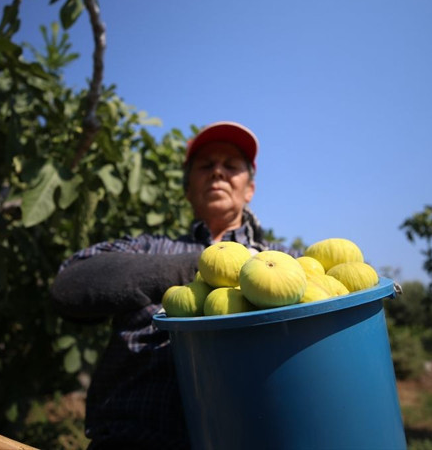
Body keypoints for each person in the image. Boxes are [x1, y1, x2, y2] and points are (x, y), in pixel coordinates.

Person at [50, 121, 297, 450]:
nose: (218, 173)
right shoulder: (149, 249)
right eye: (206, 166)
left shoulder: (285, 262)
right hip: (132, 440)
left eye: (231, 166)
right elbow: (69, 286)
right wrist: (201, 265)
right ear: (188, 188)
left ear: (249, 189)